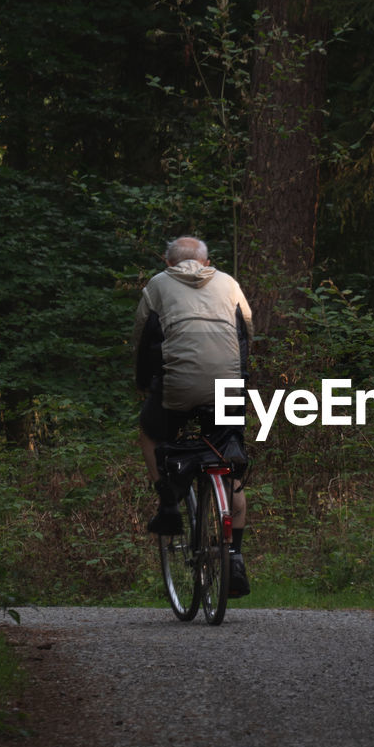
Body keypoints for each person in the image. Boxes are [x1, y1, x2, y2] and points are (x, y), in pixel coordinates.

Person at [132, 235, 252, 597]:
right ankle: (233, 556)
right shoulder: (229, 283)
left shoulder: (157, 285)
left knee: (149, 434)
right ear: (207, 261)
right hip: (229, 386)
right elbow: (246, 333)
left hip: (177, 389)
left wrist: (144, 384)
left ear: (169, 263)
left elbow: (143, 338)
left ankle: (168, 502)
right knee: (229, 462)